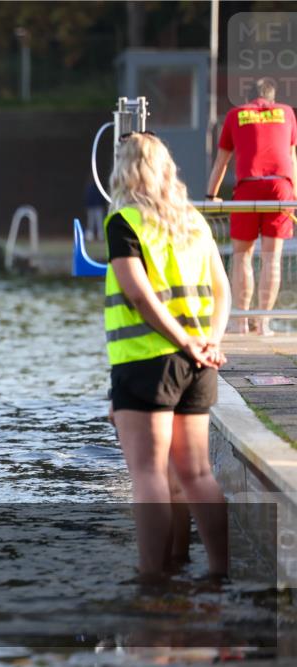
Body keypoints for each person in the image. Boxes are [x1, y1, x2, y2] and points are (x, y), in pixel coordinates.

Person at [106, 132, 231, 578]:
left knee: (148, 476)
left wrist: (182, 340)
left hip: (147, 362)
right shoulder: (193, 221)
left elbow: (139, 296)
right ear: (166, 169)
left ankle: (153, 577)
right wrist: (208, 343)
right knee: (197, 475)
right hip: (198, 364)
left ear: (125, 170)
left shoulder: (125, 221)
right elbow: (223, 291)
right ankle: (218, 572)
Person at [206, 78, 297, 335]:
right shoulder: (287, 113)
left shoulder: (236, 115)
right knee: (272, 259)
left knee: (241, 256)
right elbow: (292, 158)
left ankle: (240, 322)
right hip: (281, 188)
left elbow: (221, 162)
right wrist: (294, 197)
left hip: (248, 186)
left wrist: (210, 196)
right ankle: (264, 323)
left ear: (247, 98)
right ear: (272, 97)